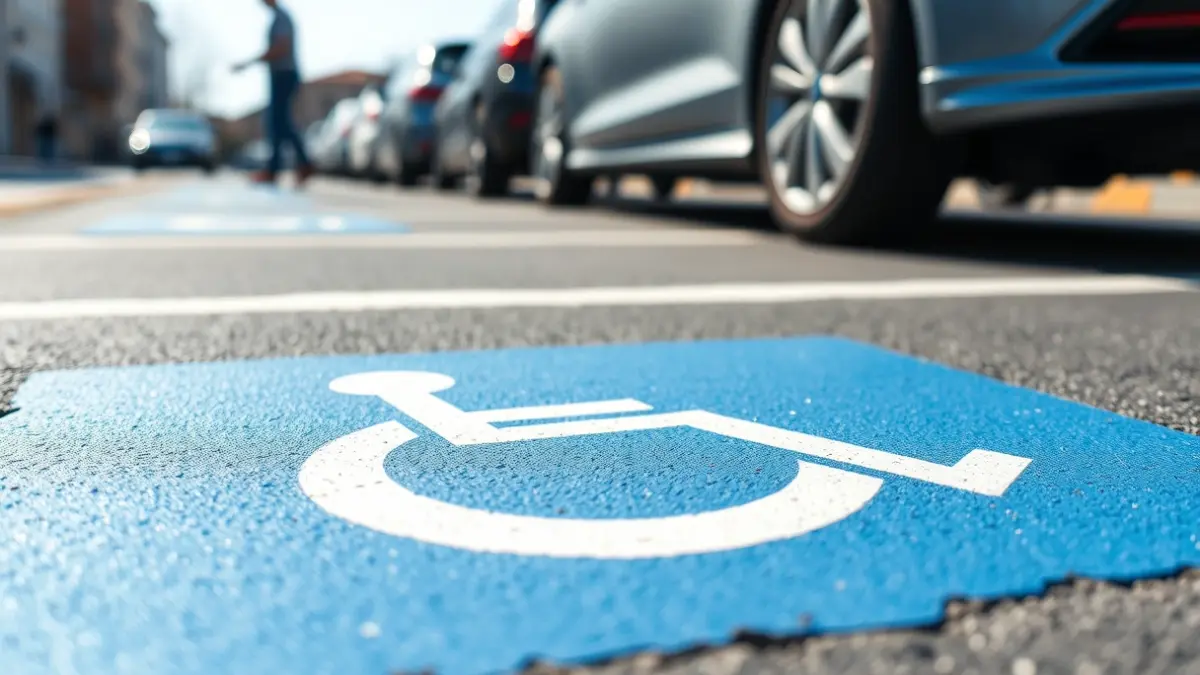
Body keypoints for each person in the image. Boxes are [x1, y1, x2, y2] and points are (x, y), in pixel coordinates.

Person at [232, 0, 315, 186]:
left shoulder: (281, 18)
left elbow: (281, 47)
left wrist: (251, 62)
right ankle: (288, 166)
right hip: (280, 75)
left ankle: (295, 165)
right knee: (278, 123)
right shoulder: (278, 18)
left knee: (279, 122)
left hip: (284, 75)